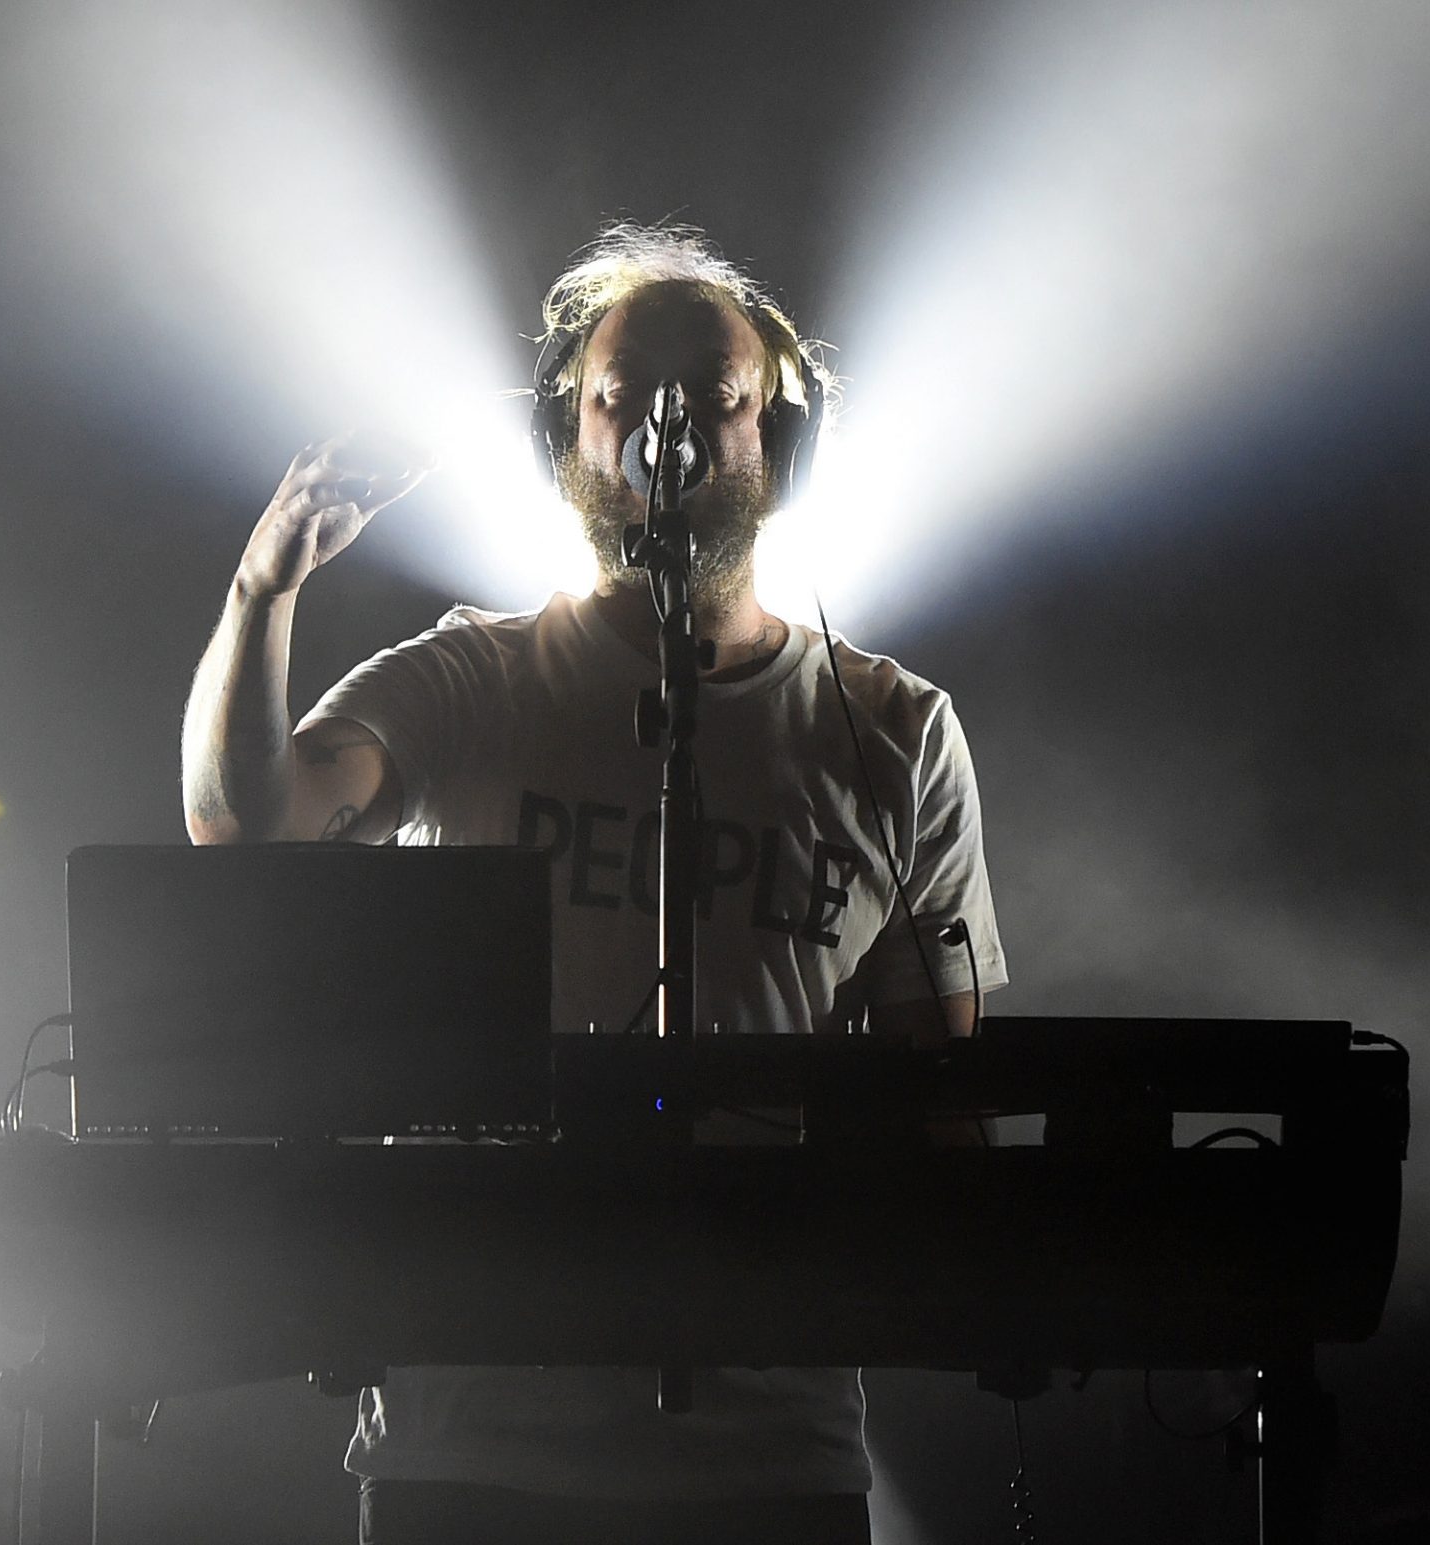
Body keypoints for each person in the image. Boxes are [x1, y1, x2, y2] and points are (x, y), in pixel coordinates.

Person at [180, 224, 1008, 1545]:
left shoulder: (895, 731)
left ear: (780, 441)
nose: (664, 428)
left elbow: (942, 1105)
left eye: (714, 395)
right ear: (567, 428)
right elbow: (243, 826)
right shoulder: (471, 681)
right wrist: (258, 590)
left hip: (771, 1451)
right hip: (473, 1439)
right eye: (623, 394)